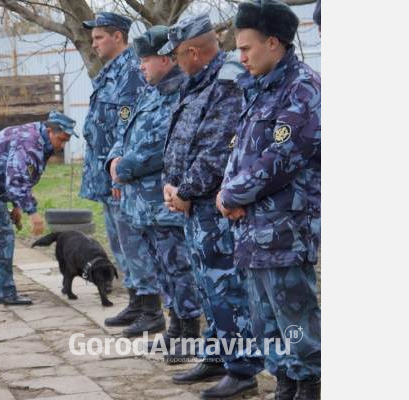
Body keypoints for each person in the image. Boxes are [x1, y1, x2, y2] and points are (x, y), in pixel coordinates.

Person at [217, 1, 322, 398]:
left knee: (295, 319)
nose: (240, 57)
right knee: (267, 322)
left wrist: (231, 194)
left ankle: (309, 384)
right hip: (252, 232)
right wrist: (228, 196)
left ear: (273, 43)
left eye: (246, 48)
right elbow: (239, 150)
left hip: (284, 232)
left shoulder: (302, 89)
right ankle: (285, 383)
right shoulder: (260, 88)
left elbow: (282, 157)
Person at [157, 16, 263, 398]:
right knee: (208, 286)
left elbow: (218, 148)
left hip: (213, 207)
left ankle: (243, 367)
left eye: (178, 55)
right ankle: (217, 355)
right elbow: (183, 141)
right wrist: (174, 188)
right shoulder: (196, 84)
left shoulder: (227, 83)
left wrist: (184, 190)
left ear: (194, 51)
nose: (175, 62)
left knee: (226, 287)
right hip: (192, 204)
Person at [105, 26, 203, 348]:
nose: (141, 66)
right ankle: (174, 327)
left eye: (145, 59)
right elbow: (125, 131)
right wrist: (113, 161)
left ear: (164, 58)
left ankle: (188, 331)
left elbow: (161, 143)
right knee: (162, 270)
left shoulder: (180, 92)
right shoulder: (151, 90)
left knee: (178, 269)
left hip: (164, 205)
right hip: (141, 206)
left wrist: (124, 168)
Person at [77, 11, 150, 329]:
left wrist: (121, 171)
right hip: (107, 176)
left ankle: (150, 307)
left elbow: (130, 128)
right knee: (119, 243)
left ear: (117, 36)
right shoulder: (110, 72)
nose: (94, 45)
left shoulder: (131, 71)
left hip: (120, 175)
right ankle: (136, 302)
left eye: (98, 37)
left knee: (132, 243)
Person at [0, 111, 76, 306]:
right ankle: (4, 292)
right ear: (50, 131)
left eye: (66, 142)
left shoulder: (38, 139)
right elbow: (16, 179)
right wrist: (33, 213)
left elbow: (18, 176)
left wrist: (17, 206)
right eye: (61, 140)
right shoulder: (29, 143)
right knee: (3, 234)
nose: (61, 146)